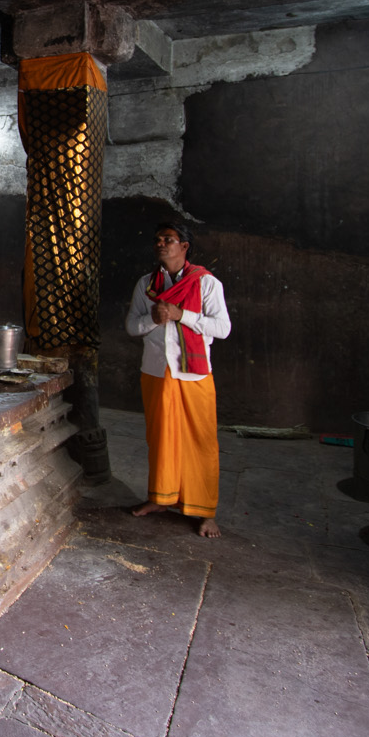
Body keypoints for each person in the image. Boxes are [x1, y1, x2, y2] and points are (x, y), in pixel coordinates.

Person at [126, 218, 231, 536]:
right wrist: (154, 319)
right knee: (160, 439)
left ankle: (204, 511)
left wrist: (181, 315)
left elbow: (222, 328)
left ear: (184, 246)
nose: (160, 244)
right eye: (158, 239)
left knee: (201, 441)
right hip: (156, 370)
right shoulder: (147, 284)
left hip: (193, 375)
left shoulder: (206, 283)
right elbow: (132, 326)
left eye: (168, 239)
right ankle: (160, 498)